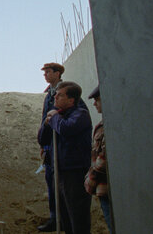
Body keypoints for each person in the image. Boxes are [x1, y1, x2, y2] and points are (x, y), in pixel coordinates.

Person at [39, 81, 92, 234]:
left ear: (71, 100)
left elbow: (67, 129)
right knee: (65, 218)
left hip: (74, 173)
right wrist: (47, 122)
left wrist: (54, 118)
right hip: (59, 172)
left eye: (60, 95)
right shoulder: (58, 116)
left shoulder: (80, 114)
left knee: (78, 217)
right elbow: (42, 139)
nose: (55, 97)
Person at [36, 62, 65, 232]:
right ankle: (54, 218)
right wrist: (43, 142)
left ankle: (63, 219)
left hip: (60, 144)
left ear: (57, 73)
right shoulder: (49, 95)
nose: (45, 74)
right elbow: (43, 119)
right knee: (51, 182)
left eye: (48, 71)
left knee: (61, 183)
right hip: (49, 144)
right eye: (44, 72)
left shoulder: (64, 92)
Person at [85, 86, 114, 233]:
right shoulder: (102, 124)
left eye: (97, 100)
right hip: (105, 188)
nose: (95, 104)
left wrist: (90, 180)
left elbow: (103, 161)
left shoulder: (110, 125)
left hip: (108, 187)